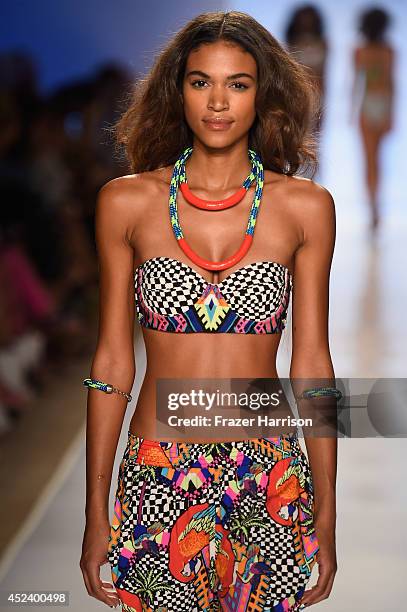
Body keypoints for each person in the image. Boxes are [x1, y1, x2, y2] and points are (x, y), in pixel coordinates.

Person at [79, 11, 337, 611]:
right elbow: (113, 362)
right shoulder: (127, 203)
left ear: (262, 94)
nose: (218, 102)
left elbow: (315, 366)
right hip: (156, 473)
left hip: (268, 475)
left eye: (237, 84)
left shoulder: (304, 208)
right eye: (201, 82)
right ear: (178, 90)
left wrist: (325, 507)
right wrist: (96, 513)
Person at [351, 7, 395, 231]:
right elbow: (390, 85)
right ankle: (373, 207)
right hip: (376, 107)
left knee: (372, 161)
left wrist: (352, 111)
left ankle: (374, 205)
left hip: (371, 108)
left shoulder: (381, 50)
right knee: (373, 161)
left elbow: (357, 85)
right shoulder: (378, 50)